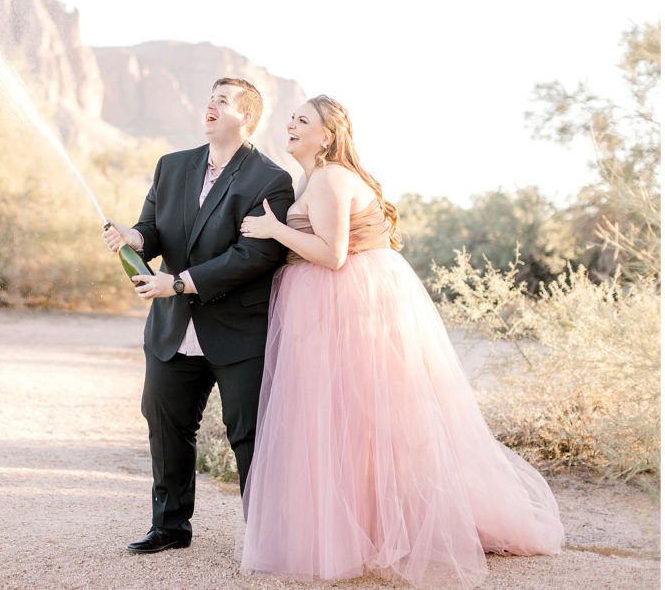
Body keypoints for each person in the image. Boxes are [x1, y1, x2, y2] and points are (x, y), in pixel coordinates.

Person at [237, 95, 564, 587]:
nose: (292, 124)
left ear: (326, 135)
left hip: (351, 305)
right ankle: (363, 529)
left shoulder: (328, 178)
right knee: (348, 421)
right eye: (293, 118)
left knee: (362, 420)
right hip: (334, 305)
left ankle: (384, 532)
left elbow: (332, 254)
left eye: (303, 120)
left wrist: (275, 229)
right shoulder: (312, 179)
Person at [103, 78, 295, 554]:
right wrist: (134, 236)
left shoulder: (271, 180)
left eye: (223, 100)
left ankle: (266, 535)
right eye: (210, 96)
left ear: (246, 117)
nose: (210, 104)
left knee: (248, 433)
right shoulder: (171, 166)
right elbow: (154, 229)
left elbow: (255, 256)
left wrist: (181, 282)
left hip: (238, 332)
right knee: (165, 425)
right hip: (171, 328)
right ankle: (169, 528)